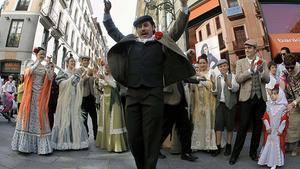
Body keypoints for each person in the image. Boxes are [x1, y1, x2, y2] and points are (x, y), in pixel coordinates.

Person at [102, 0, 195, 168]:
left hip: (154, 95)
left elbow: (178, 28)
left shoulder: (161, 41)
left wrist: (184, 7)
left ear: (153, 27)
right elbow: (112, 32)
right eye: (139, 27)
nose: (142, 29)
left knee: (152, 137)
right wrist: (107, 13)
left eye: (145, 25)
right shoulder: (130, 43)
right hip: (132, 95)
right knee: (134, 137)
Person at [229, 39, 270, 165]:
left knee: (258, 127)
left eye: (249, 48)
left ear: (255, 50)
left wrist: (261, 71)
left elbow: (267, 79)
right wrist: (250, 71)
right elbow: (238, 78)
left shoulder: (262, 62)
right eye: (245, 48)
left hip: (260, 98)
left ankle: (253, 152)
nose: (246, 50)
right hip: (246, 99)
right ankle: (234, 155)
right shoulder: (240, 62)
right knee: (243, 126)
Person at [11, 47, 54, 154]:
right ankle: (24, 146)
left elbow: (50, 78)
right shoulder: (30, 64)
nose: (43, 56)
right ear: (36, 54)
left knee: (40, 118)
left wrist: (49, 66)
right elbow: (27, 74)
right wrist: (37, 62)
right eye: (41, 54)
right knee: (28, 116)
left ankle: (42, 147)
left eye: (44, 54)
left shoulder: (44, 67)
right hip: (29, 96)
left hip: (40, 96)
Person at [51, 55, 89, 150]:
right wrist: (73, 78)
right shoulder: (63, 72)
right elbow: (61, 85)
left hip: (74, 99)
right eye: (71, 61)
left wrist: (81, 78)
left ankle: (74, 141)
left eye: (74, 62)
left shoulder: (76, 73)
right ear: (67, 63)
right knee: (65, 118)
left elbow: (77, 85)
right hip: (65, 100)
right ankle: (63, 142)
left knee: (74, 118)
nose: (73, 63)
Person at [94, 64, 128, 152]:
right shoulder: (103, 76)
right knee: (105, 121)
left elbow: (114, 86)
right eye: (106, 67)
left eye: (108, 67)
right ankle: (106, 143)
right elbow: (100, 88)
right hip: (105, 100)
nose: (107, 69)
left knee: (115, 121)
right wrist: (97, 82)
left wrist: (104, 79)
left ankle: (116, 145)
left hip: (114, 101)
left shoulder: (116, 76)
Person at [211, 59, 239, 157]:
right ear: (218, 68)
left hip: (230, 104)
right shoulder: (217, 78)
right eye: (220, 66)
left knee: (230, 126)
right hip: (220, 104)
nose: (222, 68)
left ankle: (228, 145)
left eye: (224, 66)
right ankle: (217, 146)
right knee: (218, 126)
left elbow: (235, 89)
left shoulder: (233, 76)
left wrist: (227, 80)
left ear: (227, 66)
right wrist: (213, 83)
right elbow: (214, 93)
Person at [190, 54, 217, 152]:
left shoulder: (211, 72)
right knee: (198, 122)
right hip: (197, 102)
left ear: (207, 63)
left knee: (207, 122)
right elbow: (192, 88)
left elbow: (213, 86)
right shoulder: (195, 74)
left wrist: (202, 81)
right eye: (200, 63)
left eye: (203, 63)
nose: (202, 65)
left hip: (208, 102)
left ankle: (208, 146)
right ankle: (197, 145)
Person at [258, 85, 288, 169]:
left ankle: (275, 162)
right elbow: (265, 117)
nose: (272, 95)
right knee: (268, 143)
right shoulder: (269, 105)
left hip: (277, 131)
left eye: (275, 94)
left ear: (280, 95)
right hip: (270, 130)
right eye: (272, 94)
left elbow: (284, 120)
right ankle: (266, 160)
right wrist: (267, 126)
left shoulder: (283, 107)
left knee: (276, 144)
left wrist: (280, 129)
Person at [279, 54, 300, 157]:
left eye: (291, 67)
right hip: (292, 99)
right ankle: (291, 145)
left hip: (297, 98)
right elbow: (281, 88)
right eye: (287, 67)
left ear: (295, 64)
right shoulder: (284, 72)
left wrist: (294, 102)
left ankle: (296, 147)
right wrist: (280, 98)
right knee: (293, 123)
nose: (290, 69)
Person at [80, 55, 98, 140]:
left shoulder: (91, 70)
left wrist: (95, 77)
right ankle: (86, 135)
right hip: (84, 97)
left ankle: (96, 135)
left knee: (95, 118)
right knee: (84, 119)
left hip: (92, 97)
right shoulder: (79, 70)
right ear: (81, 61)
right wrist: (87, 75)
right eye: (84, 60)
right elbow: (80, 83)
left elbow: (95, 83)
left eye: (87, 60)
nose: (86, 62)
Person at [48, 62, 59, 130]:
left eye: (52, 67)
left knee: (51, 114)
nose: (51, 68)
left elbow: (58, 87)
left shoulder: (56, 76)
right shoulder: (45, 75)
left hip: (54, 99)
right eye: (49, 67)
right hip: (46, 98)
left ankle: (50, 128)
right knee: (48, 115)